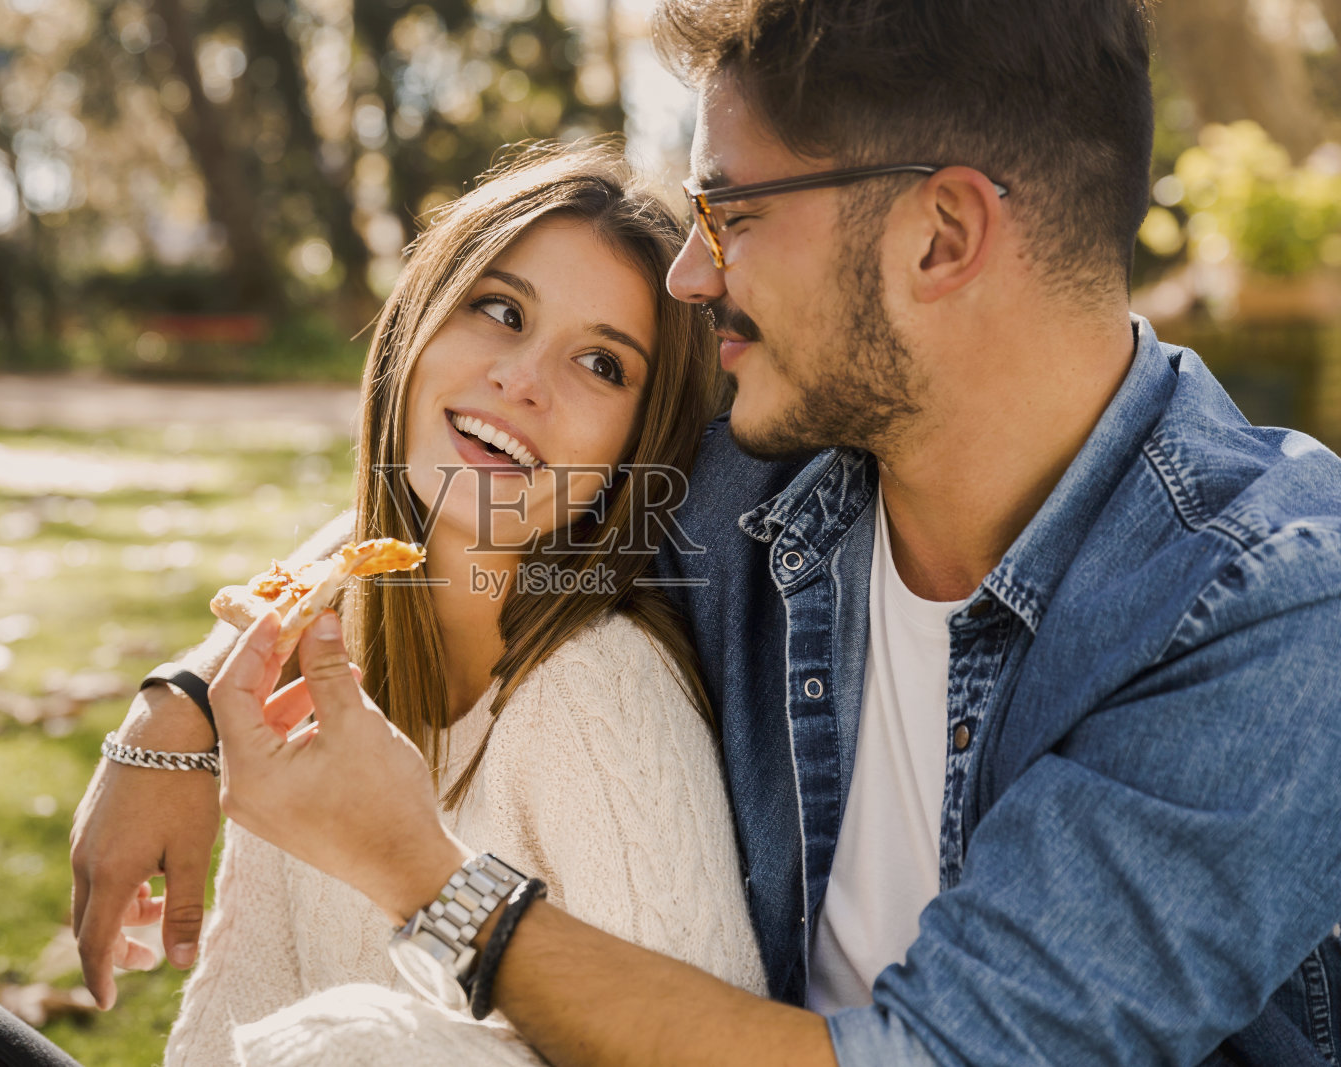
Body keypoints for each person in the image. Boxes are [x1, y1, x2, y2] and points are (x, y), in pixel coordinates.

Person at [191, 1, 1341, 1065]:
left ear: (939, 237)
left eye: (732, 214)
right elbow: (477, 480)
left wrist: (421, 873)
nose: (693, 275)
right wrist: (181, 705)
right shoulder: (771, 455)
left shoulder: (1268, 606)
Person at [0, 143, 769, 1065]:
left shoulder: (597, 690)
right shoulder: (329, 661)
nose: (522, 379)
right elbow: (235, 1014)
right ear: (414, 332)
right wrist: (180, 704)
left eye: (601, 365)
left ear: (633, 453)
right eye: (500, 310)